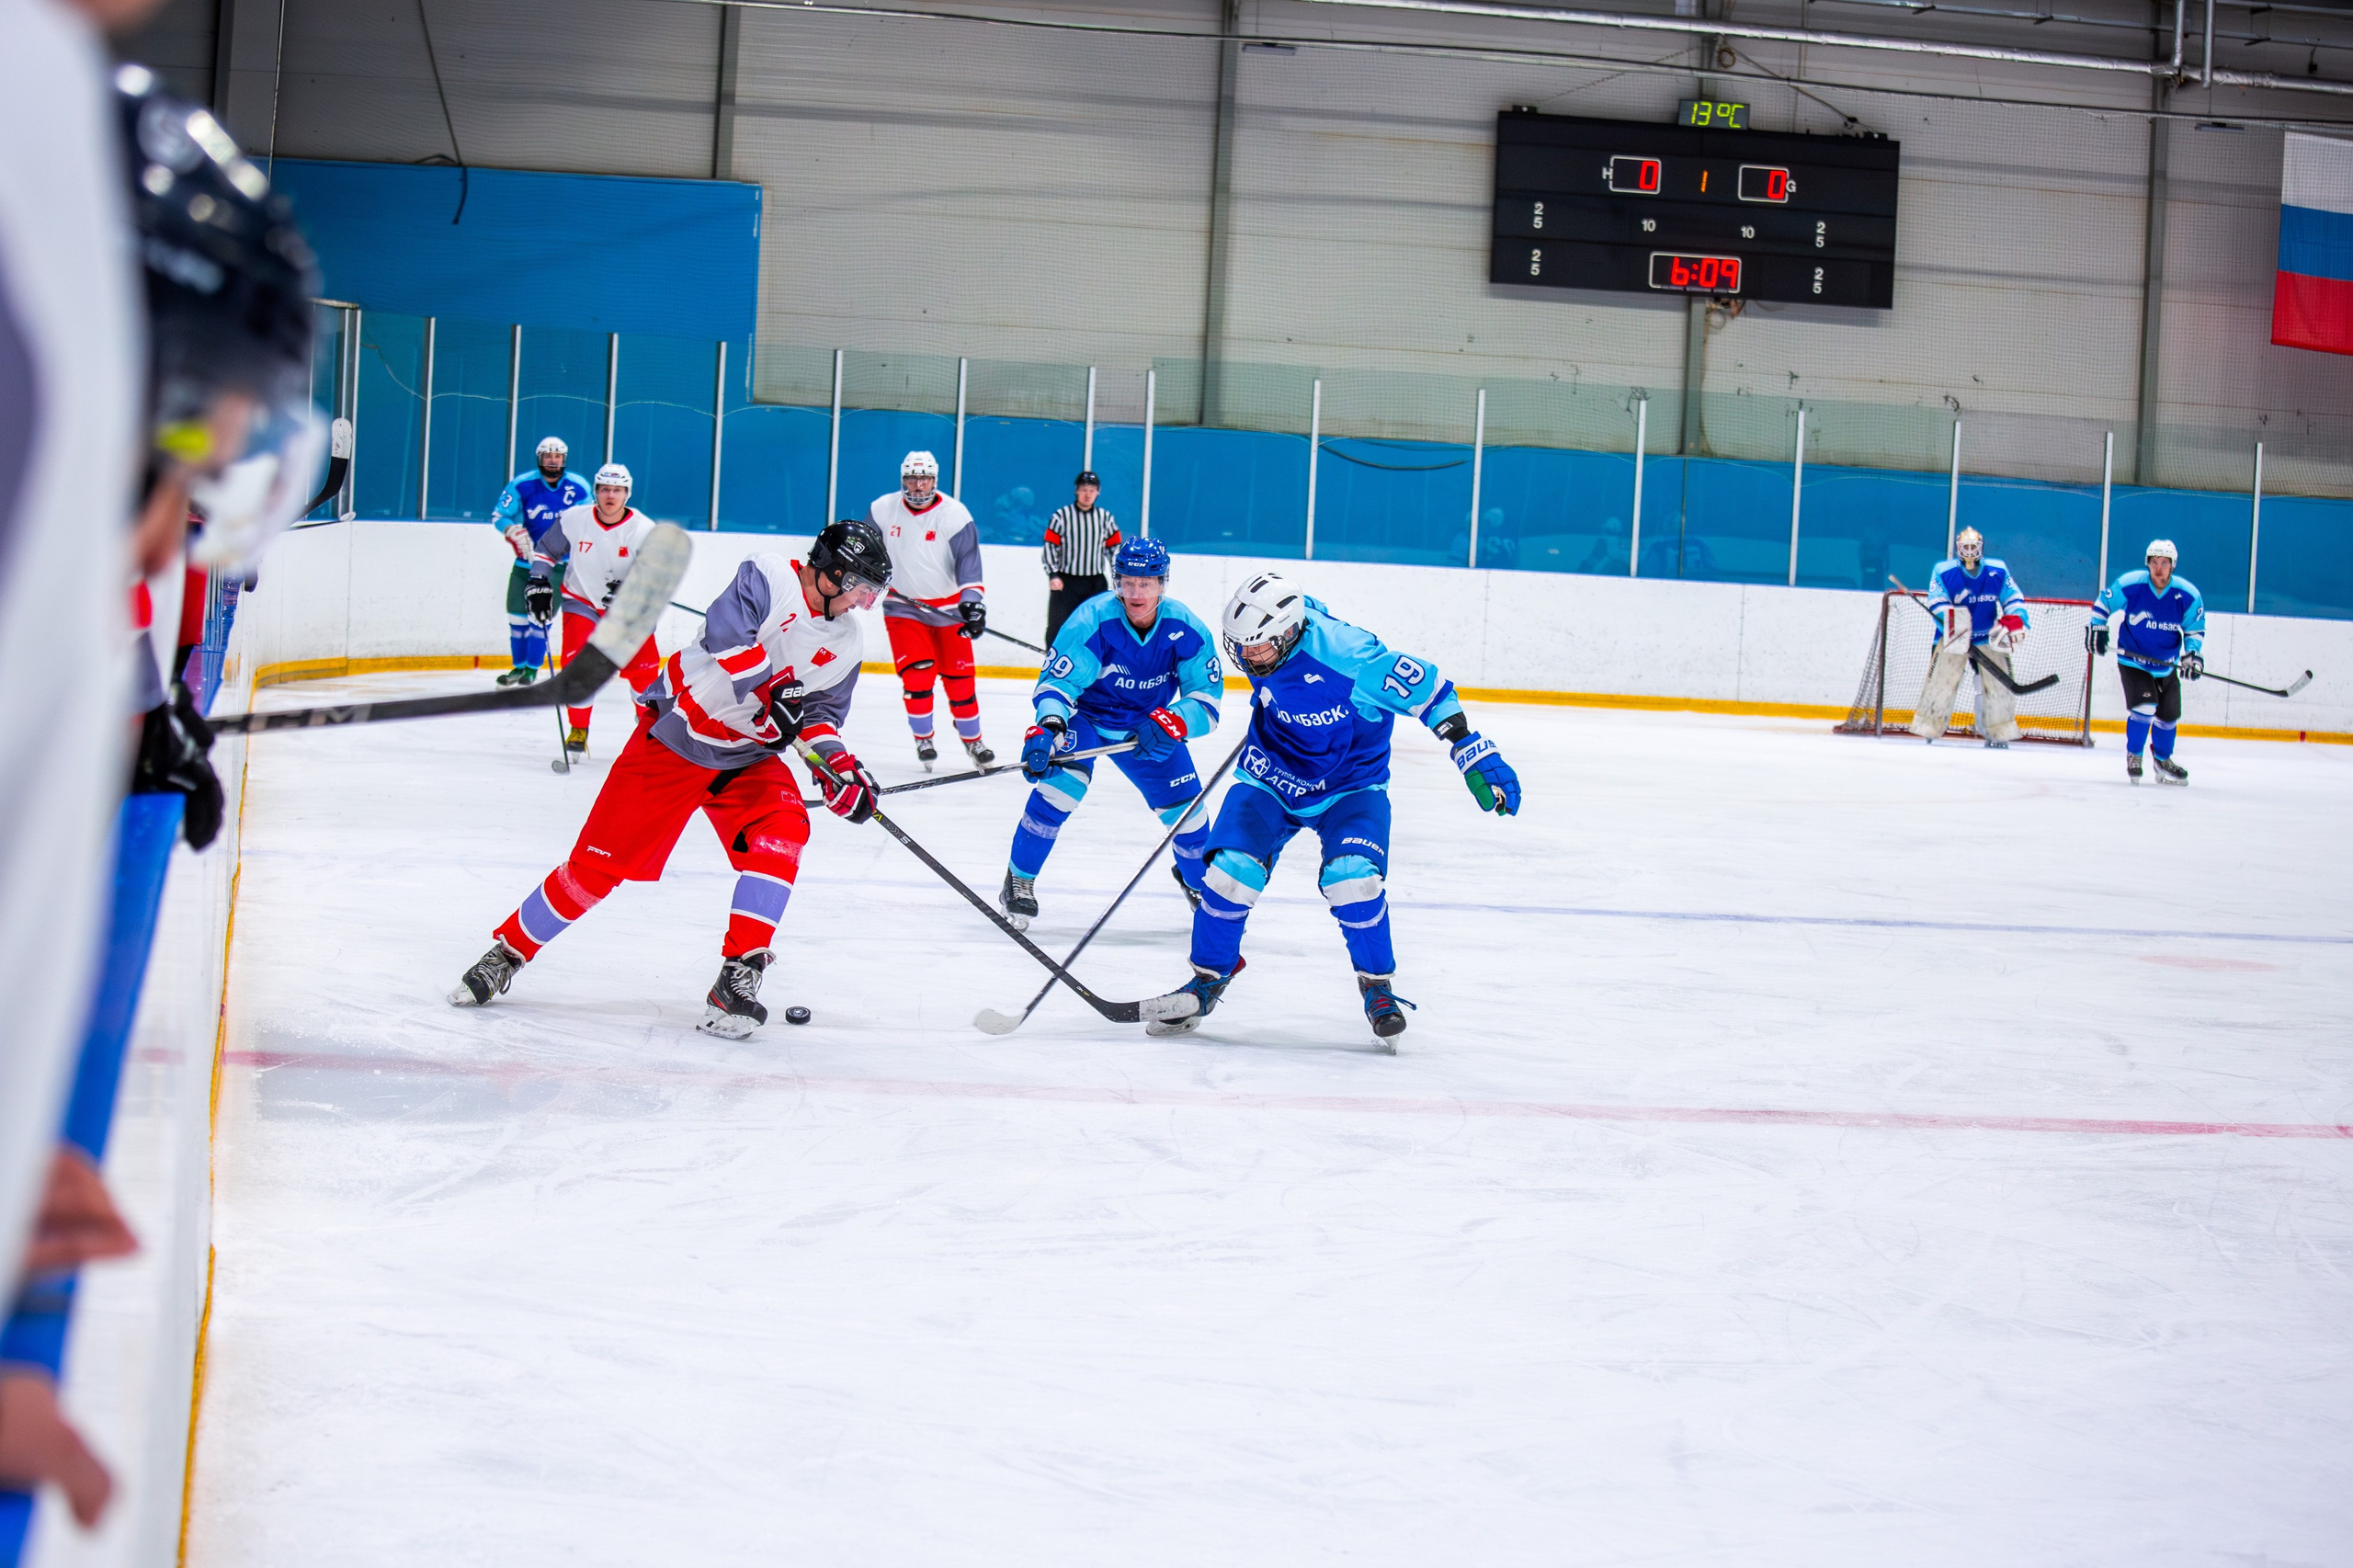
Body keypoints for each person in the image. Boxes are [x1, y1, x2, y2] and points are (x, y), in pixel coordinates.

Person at [452, 519, 893, 1035]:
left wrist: (838, 771)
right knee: (595, 871)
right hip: (676, 736)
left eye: (872, 593)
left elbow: (819, 716)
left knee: (784, 834)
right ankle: (508, 952)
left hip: (744, 758)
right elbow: (726, 633)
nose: (864, 603)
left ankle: (738, 974)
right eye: (861, 589)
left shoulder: (848, 643)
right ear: (831, 573)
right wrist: (775, 690)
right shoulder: (769, 575)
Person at [1139, 573, 1522, 1046]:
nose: (1246, 659)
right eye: (1239, 647)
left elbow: (1431, 690)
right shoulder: (1277, 634)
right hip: (1271, 776)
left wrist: (1472, 751)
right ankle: (1207, 979)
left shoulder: (1352, 656)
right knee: (1229, 875)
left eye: (1257, 649)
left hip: (1350, 785)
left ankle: (1377, 987)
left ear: (1288, 633)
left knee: (1353, 879)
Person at [999, 537, 1221, 929]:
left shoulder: (1184, 627)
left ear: (1163, 582)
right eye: (1127, 581)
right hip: (1086, 720)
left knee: (1189, 815)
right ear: (1116, 580)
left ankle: (1197, 883)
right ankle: (1019, 879)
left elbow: (1207, 699)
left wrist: (1175, 721)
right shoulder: (1092, 619)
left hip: (1147, 728)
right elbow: (1059, 687)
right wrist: (1048, 727)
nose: (1135, 592)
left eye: (1146, 582)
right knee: (1060, 791)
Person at [530, 462, 660, 759]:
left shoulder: (643, 529)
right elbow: (546, 551)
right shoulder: (574, 519)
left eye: (616, 490)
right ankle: (578, 729)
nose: (610, 495)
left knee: (644, 675)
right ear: (596, 492)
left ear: (627, 494)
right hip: (583, 603)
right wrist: (538, 580)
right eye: (604, 489)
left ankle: (646, 726)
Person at [871, 449, 991, 769]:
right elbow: (867, 550)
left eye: (924, 479)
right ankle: (923, 737)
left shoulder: (954, 514)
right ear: (903, 480)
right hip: (903, 608)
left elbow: (968, 562)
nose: (919, 486)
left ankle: (973, 741)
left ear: (934, 480)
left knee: (960, 677)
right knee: (918, 675)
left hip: (949, 609)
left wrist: (973, 606)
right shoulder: (883, 509)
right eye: (912, 478)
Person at [2088, 538, 2205, 785]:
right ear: (2148, 563)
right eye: (2154, 562)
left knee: (2169, 716)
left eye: (2164, 563)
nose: (2159, 568)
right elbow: (2104, 603)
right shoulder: (2131, 585)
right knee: (2144, 708)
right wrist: (2097, 627)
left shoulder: (2187, 595)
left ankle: (2162, 760)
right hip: (2133, 661)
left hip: (2166, 665)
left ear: (2173, 565)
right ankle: (2135, 756)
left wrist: (2192, 655)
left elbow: (2194, 630)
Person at [1913, 527, 2029, 746]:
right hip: (1953, 636)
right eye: (1964, 547)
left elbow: (2013, 599)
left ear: (1981, 548)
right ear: (1958, 548)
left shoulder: (1998, 570)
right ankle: (1929, 727)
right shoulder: (1944, 570)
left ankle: (1997, 732)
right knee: (1942, 683)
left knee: (1996, 685)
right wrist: (1956, 622)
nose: (1969, 551)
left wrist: (2014, 620)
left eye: (1973, 547)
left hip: (1986, 636)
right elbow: (1937, 602)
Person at [488, 437, 589, 687]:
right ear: (540, 459)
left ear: (564, 460)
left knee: (539, 617)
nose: (553, 461)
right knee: (516, 617)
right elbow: (499, 515)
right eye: (548, 457)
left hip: (556, 567)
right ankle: (518, 667)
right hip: (524, 564)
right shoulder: (522, 485)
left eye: (557, 457)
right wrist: (511, 530)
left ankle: (532, 669)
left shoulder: (579, 487)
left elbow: (588, 522)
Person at [1040, 470, 1120, 648]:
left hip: (1094, 582)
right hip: (1065, 581)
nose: (1088, 494)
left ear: (1098, 492)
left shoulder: (1105, 518)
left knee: (1095, 626)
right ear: (1076, 490)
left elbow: (1114, 549)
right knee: (1058, 625)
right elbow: (1050, 547)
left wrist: (1117, 575)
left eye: (1092, 490)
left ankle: (1094, 664)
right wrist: (1053, 574)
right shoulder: (1061, 516)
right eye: (1084, 489)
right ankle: (1054, 663)